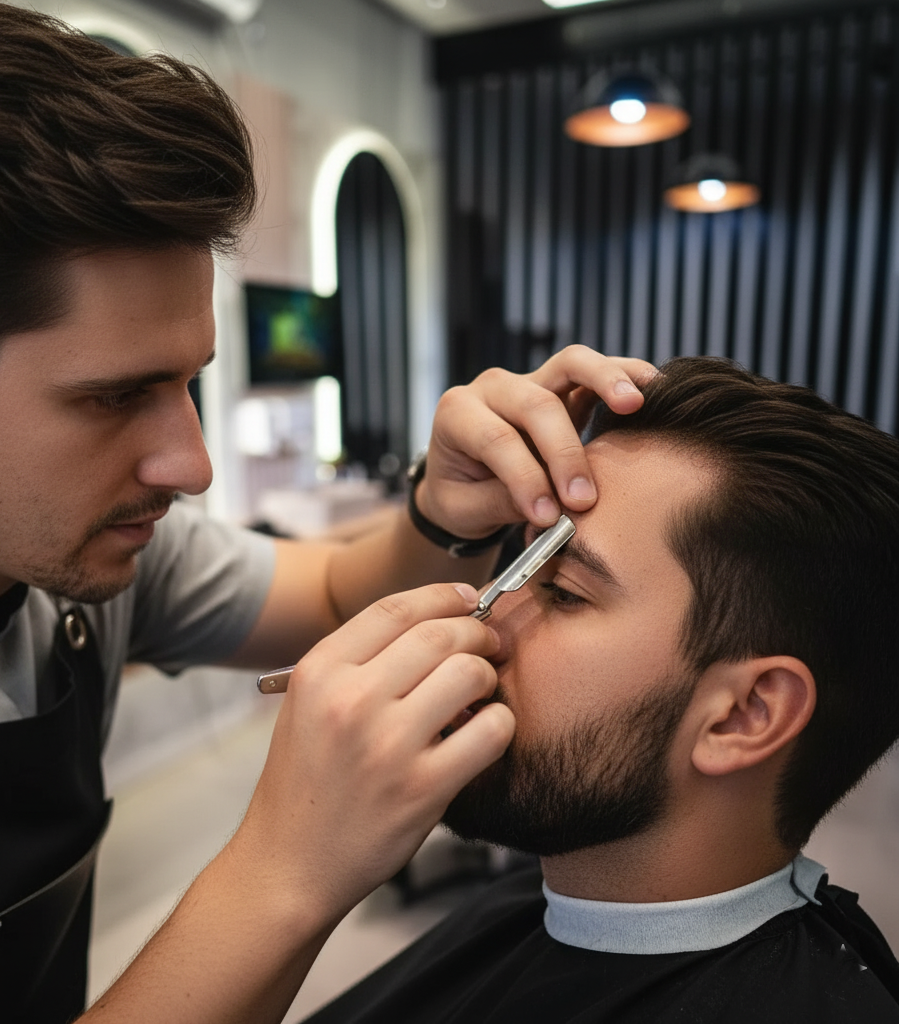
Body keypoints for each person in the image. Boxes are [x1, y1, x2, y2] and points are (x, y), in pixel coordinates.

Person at [0, 3, 655, 1023]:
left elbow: (331, 591)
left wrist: (440, 507)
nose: (192, 464)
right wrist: (286, 871)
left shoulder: (83, 557)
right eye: (113, 396)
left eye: (190, 382)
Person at [301, 357, 899, 1024]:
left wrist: (283, 878)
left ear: (745, 715)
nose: (482, 619)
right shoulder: (552, 895)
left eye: (561, 591)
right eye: (520, 563)